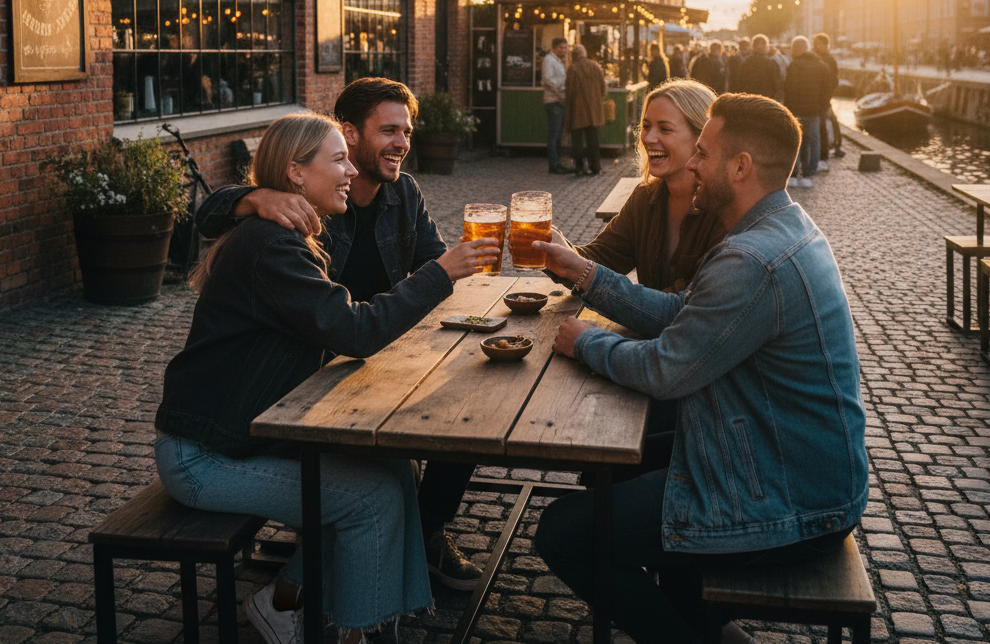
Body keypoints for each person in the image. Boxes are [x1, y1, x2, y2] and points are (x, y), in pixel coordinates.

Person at [531, 94, 868, 644]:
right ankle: (691, 612)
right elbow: (683, 314)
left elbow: (667, 370)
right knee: (613, 466)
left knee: (562, 534)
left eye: (704, 153)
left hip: (787, 497)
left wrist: (588, 344)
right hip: (774, 458)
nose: (692, 165)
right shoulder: (777, 225)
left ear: (741, 167)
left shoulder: (751, 259)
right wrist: (589, 275)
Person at [156, 112, 498, 644]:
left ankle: (302, 602)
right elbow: (353, 331)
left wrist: (250, 197)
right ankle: (358, 629)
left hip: (247, 436)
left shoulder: (289, 230)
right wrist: (440, 273)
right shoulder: (271, 245)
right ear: (296, 173)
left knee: (394, 466)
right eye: (338, 159)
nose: (349, 172)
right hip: (205, 456)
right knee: (368, 500)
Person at [562, 79, 723, 292]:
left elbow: (686, 304)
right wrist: (549, 246)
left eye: (665, 129)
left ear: (701, 137)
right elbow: (602, 258)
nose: (648, 137)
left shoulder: (722, 210)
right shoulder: (645, 198)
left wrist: (601, 320)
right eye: (646, 126)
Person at [783, 35, 832, 188]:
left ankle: (794, 173)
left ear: (799, 49)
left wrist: (788, 109)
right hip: (815, 110)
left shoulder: (794, 66)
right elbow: (827, 89)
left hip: (796, 109)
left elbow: (789, 90)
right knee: (813, 140)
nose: (791, 51)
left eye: (792, 48)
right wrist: (823, 106)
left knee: (795, 141)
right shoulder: (821, 65)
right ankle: (809, 173)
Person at [564, 43, 606, 176]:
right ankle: (595, 167)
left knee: (577, 140)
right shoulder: (595, 66)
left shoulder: (573, 69)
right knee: (593, 140)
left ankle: (580, 166)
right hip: (594, 110)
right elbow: (603, 88)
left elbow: (569, 91)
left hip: (578, 110)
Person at [542, 37, 575, 174]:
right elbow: (548, 80)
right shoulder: (549, 60)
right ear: (554, 48)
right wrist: (561, 92)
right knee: (554, 135)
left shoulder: (559, 61)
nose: (564, 50)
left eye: (566, 47)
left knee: (557, 135)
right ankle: (554, 164)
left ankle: (557, 163)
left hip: (559, 101)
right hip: (553, 101)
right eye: (561, 47)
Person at [812, 32, 845, 163]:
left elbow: (832, 79)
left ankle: (835, 145)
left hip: (824, 96)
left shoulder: (828, 60)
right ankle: (834, 145)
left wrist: (827, 93)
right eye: (814, 43)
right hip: (821, 96)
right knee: (828, 121)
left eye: (818, 43)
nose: (815, 46)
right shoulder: (818, 58)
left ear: (825, 45)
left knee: (829, 121)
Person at [736, 33, 781, 99]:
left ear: (753, 47)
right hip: (767, 99)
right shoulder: (771, 63)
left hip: (749, 100)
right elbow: (776, 84)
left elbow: (740, 83)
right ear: (766, 47)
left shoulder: (746, 63)